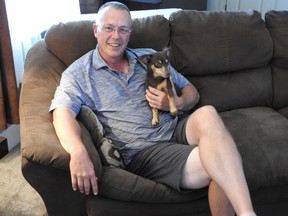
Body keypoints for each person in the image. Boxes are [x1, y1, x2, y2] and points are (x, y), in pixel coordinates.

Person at [50, 2, 256, 216]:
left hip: (176, 126)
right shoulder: (78, 74)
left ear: (130, 33)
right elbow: (61, 113)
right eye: (108, 28)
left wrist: (176, 103)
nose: (116, 36)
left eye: (123, 29)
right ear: (96, 30)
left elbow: (191, 91)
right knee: (222, 164)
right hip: (146, 150)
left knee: (208, 113)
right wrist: (77, 150)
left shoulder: (148, 57)